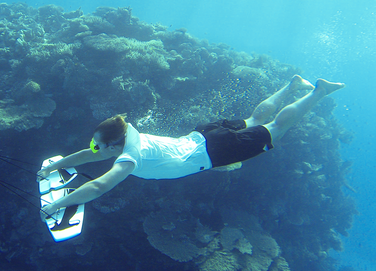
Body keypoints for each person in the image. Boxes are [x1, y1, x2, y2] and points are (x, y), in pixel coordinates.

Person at [37, 75, 345, 220]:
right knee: (254, 118)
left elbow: (99, 187)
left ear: (113, 144)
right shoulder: (127, 131)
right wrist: (55, 165)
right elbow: (92, 153)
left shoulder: (128, 160)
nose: (94, 147)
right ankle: (292, 85)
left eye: (98, 143)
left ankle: (319, 92)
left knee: (276, 128)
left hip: (213, 152)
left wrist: (54, 206)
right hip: (203, 134)